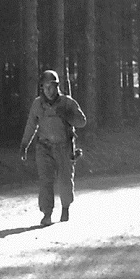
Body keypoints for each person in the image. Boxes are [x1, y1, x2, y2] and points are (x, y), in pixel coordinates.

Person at [20, 69, 87, 226]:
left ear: (57, 87)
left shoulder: (67, 103)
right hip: (44, 148)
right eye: (45, 87)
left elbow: (82, 121)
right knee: (45, 181)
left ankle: (65, 208)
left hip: (64, 147)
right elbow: (31, 125)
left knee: (65, 180)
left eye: (51, 86)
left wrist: (67, 115)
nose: (48, 90)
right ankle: (47, 213)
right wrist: (24, 145)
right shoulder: (38, 104)